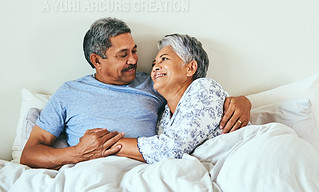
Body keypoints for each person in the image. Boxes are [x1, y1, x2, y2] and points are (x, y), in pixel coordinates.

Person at [20, 18, 251, 169]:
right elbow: (29, 154)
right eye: (123, 55)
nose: (134, 61)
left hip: (146, 174)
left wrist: (242, 101)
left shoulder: (154, 83)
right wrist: (76, 154)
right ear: (97, 60)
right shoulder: (68, 93)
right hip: (90, 174)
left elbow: (192, 98)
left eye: (134, 51)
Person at [112, 33, 231, 163]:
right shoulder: (164, 116)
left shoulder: (205, 88)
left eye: (164, 59)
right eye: (154, 64)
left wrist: (110, 145)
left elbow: (171, 149)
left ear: (190, 68)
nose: (155, 68)